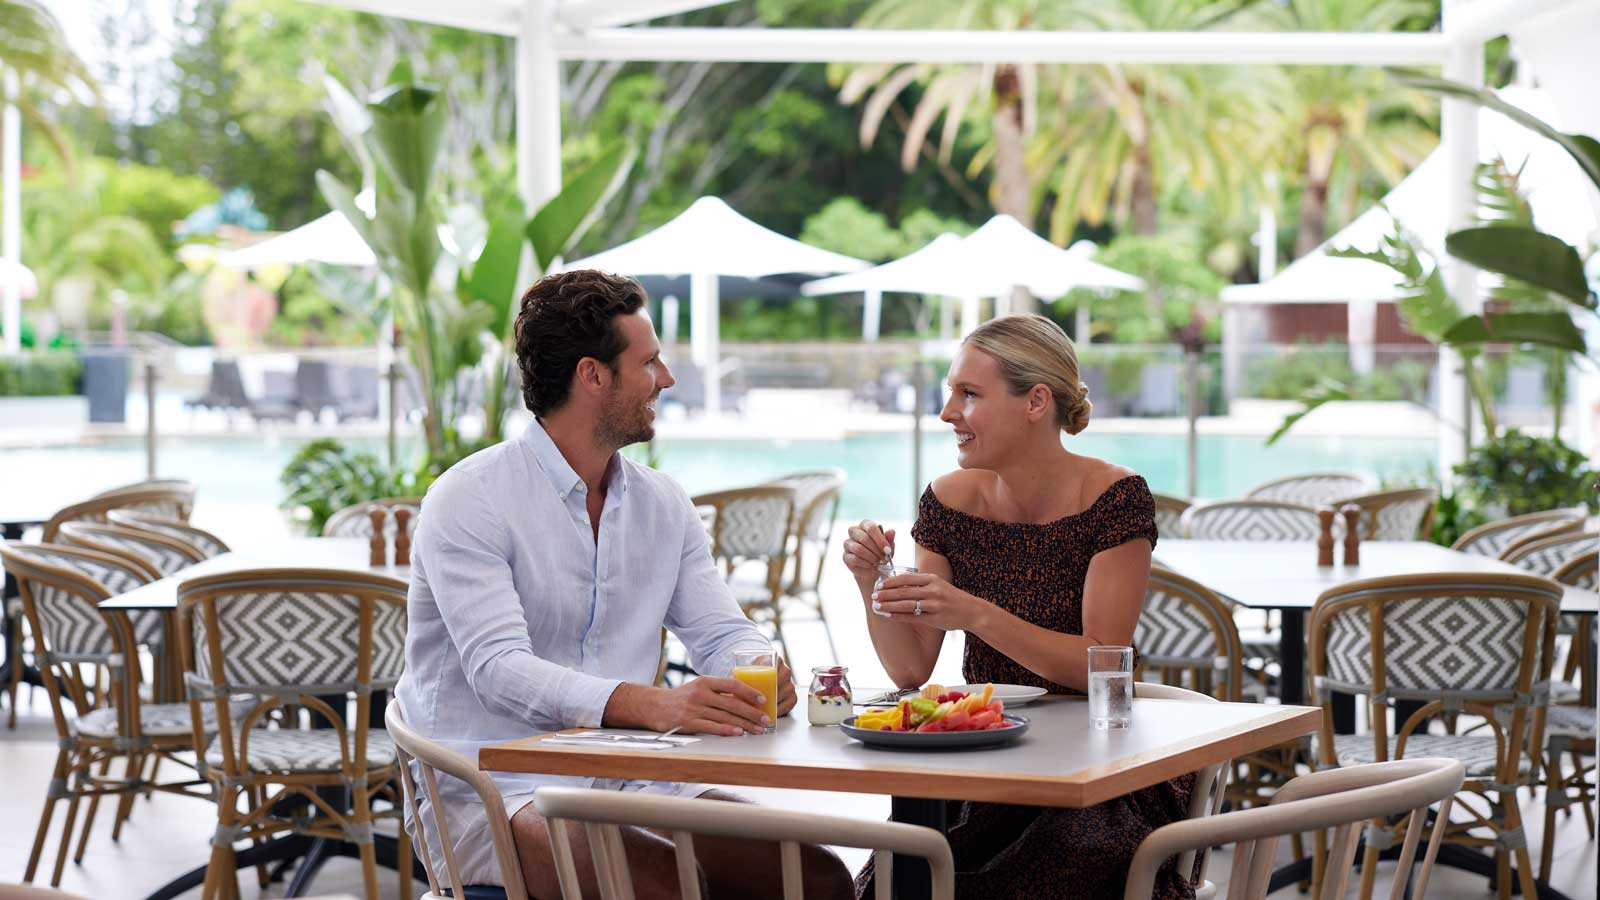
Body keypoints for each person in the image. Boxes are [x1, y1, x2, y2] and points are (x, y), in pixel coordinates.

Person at [395, 270, 853, 900]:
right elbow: (499, 668)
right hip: (492, 782)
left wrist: (756, 666)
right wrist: (659, 705)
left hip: (630, 770)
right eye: (651, 362)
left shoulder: (662, 503)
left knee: (816, 878)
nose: (666, 379)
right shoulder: (470, 498)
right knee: (666, 887)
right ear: (593, 376)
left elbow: (721, 630)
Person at [841, 313, 1193, 900]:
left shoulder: (1114, 498)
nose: (948, 412)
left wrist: (975, 614)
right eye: (951, 391)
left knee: (1056, 864)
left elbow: (1102, 663)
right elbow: (910, 670)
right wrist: (866, 580)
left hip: (1098, 774)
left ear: (1035, 402)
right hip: (983, 761)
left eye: (969, 394)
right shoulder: (948, 501)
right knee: (905, 872)